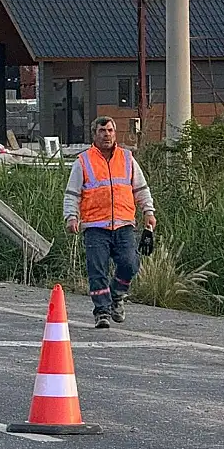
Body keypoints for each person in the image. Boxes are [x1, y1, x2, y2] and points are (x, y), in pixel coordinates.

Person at [63, 116, 157, 328]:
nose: (106, 135)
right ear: (94, 134)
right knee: (97, 270)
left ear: (115, 133)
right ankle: (102, 312)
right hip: (95, 226)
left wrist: (148, 211)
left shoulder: (127, 158)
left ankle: (117, 294)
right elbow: (72, 193)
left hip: (124, 224)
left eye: (110, 131)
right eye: (102, 131)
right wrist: (71, 216)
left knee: (130, 263)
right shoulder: (83, 161)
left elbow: (141, 189)